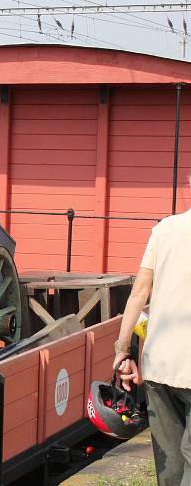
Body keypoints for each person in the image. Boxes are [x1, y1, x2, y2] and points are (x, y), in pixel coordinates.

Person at [114, 194, 191, 486]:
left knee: (169, 465)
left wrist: (122, 351)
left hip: (159, 365)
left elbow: (138, 293)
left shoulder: (163, 230)